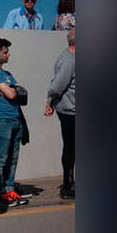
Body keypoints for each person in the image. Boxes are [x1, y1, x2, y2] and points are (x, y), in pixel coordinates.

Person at [0, 37, 32, 208]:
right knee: (1, 158)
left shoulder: (7, 74)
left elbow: (22, 93)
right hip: (1, 119)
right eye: (5, 52)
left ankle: (9, 189)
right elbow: (13, 94)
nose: (8, 55)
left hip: (15, 118)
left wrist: (11, 91)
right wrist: (12, 91)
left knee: (13, 158)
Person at [45, 28, 76, 199]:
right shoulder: (69, 60)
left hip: (72, 109)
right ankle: (67, 186)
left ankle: (69, 183)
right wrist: (50, 100)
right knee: (71, 148)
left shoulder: (70, 57)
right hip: (70, 110)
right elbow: (57, 86)